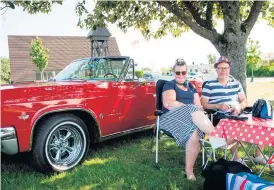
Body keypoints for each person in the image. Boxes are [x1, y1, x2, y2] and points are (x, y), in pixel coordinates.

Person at [201, 56, 269, 165]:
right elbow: (203, 103)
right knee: (234, 125)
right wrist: (218, 105)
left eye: (225, 68)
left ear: (229, 69)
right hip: (219, 115)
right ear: (216, 69)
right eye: (220, 68)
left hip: (238, 113)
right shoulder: (209, 85)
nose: (223, 70)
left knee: (262, 120)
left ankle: (258, 155)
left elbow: (244, 101)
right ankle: (236, 159)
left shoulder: (236, 83)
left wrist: (239, 107)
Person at [160, 58, 214, 181]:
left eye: (183, 72)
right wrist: (187, 106)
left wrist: (194, 108)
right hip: (171, 118)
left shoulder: (191, 86)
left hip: (190, 118)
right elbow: (168, 103)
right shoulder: (170, 84)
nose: (180, 75)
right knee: (191, 108)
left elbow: (198, 105)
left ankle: (189, 171)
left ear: (186, 73)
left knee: (195, 133)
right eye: (177, 72)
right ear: (173, 73)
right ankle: (217, 136)